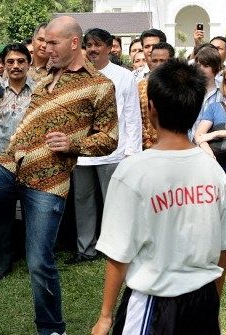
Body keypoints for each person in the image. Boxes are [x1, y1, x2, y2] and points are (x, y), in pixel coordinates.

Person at [0, 16, 118, 334]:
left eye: (52, 43)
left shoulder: (100, 86)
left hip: (49, 181)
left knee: (39, 262)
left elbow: (109, 139)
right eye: (43, 42)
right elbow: (2, 88)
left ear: (74, 43)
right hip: (8, 164)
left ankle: (51, 329)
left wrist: (73, 143)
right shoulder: (38, 73)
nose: (45, 48)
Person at [91, 58, 226, 335]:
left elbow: (118, 254)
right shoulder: (214, 171)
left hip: (153, 304)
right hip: (203, 300)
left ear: (151, 107)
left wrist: (105, 317)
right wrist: (214, 298)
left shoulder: (132, 171)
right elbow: (223, 248)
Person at [69, 28, 141, 264]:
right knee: (83, 202)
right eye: (89, 45)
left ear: (109, 47)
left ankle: (115, 249)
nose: (92, 49)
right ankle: (85, 248)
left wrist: (132, 151)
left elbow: (131, 116)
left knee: (114, 202)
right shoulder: (76, 75)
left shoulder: (123, 76)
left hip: (113, 151)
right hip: (82, 152)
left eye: (98, 45)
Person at [0, 43, 35, 279]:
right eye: (10, 61)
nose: (15, 66)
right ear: (3, 65)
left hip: (33, 164)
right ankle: (1, 264)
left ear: (28, 64)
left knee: (33, 215)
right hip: (1, 165)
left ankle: (36, 262)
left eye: (21, 61)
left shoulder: (39, 92)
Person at [138, 42, 175, 149]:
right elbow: (136, 118)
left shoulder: (181, 86)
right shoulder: (140, 86)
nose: (158, 65)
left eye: (162, 61)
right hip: (147, 147)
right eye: (154, 61)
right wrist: (147, 142)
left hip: (175, 146)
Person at [195, 68, 226, 174]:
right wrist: (210, 154)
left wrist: (217, 133)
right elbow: (199, 136)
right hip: (219, 167)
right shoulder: (214, 108)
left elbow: (208, 135)